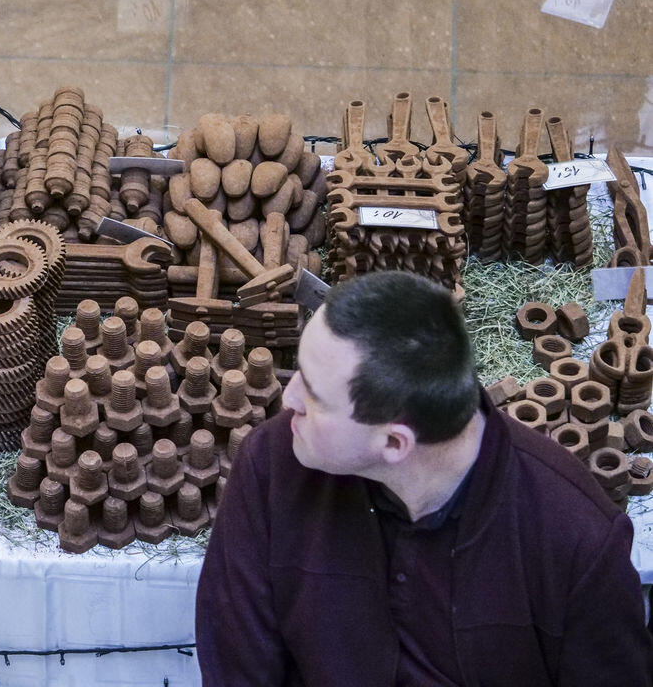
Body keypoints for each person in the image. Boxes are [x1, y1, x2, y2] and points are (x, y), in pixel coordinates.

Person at [196, 270, 653, 685]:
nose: (288, 397)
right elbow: (238, 671)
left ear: (395, 444)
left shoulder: (576, 542)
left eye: (314, 394)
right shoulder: (272, 464)